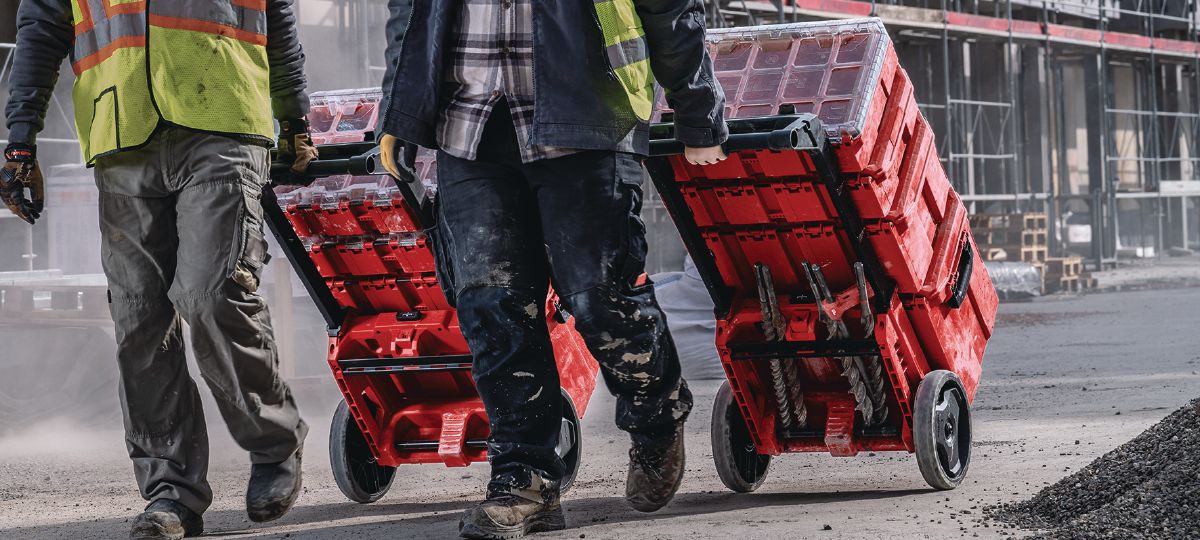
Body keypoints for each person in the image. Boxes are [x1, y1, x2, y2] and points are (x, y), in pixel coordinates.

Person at [377, 1, 727, 538]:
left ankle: (655, 413)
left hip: (585, 115)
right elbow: (412, 11)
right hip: (468, 126)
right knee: (493, 310)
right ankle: (525, 479)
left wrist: (697, 109)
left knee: (599, 300)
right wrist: (399, 112)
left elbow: (668, 7)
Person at [3, 2, 318, 539]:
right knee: (139, 320)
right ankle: (171, 491)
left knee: (212, 293)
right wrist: (19, 139)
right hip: (120, 130)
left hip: (222, 120)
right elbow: (41, 29)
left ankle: (273, 441)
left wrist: (294, 115)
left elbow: (276, 13)